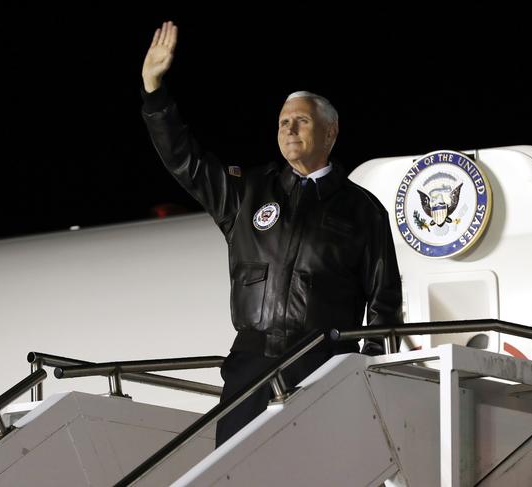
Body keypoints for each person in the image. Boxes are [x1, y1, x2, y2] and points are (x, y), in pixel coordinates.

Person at [141, 21, 402, 447]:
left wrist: (365, 371)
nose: (289, 129)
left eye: (301, 121)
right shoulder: (248, 192)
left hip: (324, 364)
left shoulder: (363, 210)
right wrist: (154, 92)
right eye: (283, 122)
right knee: (231, 468)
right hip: (251, 363)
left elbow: (385, 302)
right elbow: (185, 161)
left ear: (330, 133)